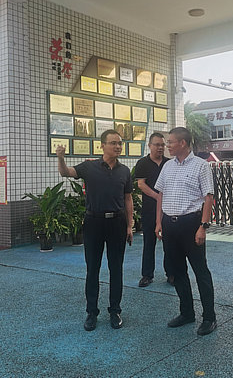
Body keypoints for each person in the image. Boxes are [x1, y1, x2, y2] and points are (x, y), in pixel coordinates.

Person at [56, 130, 133, 332]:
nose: (117, 147)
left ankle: (115, 311)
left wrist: (129, 225)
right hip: (93, 222)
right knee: (93, 269)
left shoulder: (125, 171)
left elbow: (128, 198)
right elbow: (65, 173)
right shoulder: (89, 167)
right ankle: (92, 312)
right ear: (102, 145)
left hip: (117, 223)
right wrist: (61, 158)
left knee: (116, 268)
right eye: (113, 143)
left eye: (120, 143)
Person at [154, 127, 217, 336]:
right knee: (177, 271)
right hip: (169, 224)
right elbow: (161, 194)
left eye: (170, 142)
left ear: (182, 143)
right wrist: (159, 222)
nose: (167, 146)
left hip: (191, 224)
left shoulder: (201, 165)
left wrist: (203, 226)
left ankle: (209, 317)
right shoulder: (167, 166)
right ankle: (187, 312)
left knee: (200, 271)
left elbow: (208, 197)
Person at [134, 132, 172, 287]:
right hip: (149, 209)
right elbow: (141, 184)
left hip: (168, 210)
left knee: (169, 243)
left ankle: (171, 274)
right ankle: (147, 275)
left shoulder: (170, 163)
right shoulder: (142, 163)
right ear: (150, 146)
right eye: (157, 145)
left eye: (162, 145)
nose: (160, 148)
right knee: (149, 243)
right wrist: (157, 197)